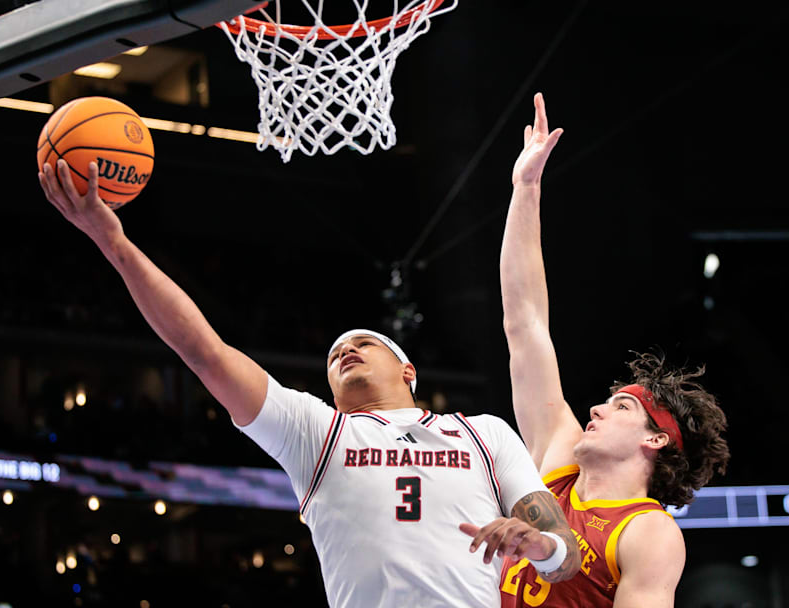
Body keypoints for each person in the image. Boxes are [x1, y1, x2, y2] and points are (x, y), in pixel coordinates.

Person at [37, 159, 581, 608]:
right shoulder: (315, 431)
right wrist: (114, 244)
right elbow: (203, 351)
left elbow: (567, 555)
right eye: (334, 355)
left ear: (407, 370)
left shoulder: (484, 434)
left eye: (363, 344)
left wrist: (538, 545)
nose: (345, 351)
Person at [495, 93, 732, 607]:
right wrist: (525, 188)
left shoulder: (649, 533)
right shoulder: (558, 459)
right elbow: (526, 323)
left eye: (623, 405)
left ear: (657, 440)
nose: (596, 408)